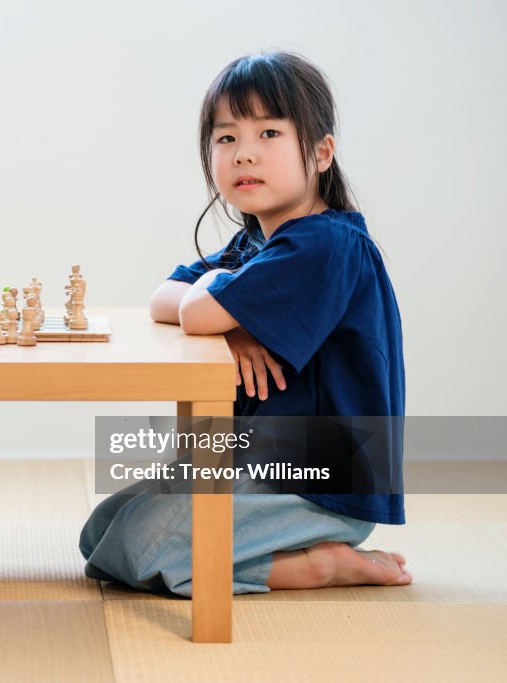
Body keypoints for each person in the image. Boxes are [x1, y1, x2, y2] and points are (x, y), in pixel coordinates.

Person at [80, 51, 412, 595]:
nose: (244, 154)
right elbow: (162, 298)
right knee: (100, 535)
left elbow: (192, 307)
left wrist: (215, 304)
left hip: (320, 485)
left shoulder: (322, 244)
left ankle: (319, 564)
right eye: (227, 138)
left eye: (270, 133)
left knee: (137, 548)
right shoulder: (256, 243)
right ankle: (285, 552)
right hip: (262, 466)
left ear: (323, 152)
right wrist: (231, 321)